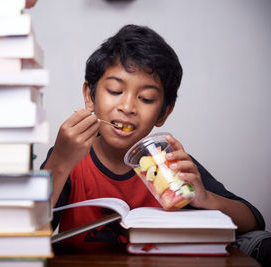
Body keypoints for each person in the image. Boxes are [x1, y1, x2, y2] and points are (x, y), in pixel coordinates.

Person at [41, 24, 269, 264]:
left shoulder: (170, 163)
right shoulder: (69, 158)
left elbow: (254, 220)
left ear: (164, 113)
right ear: (90, 95)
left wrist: (204, 198)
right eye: (115, 90)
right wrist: (59, 162)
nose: (128, 107)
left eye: (146, 98)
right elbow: (26, 233)